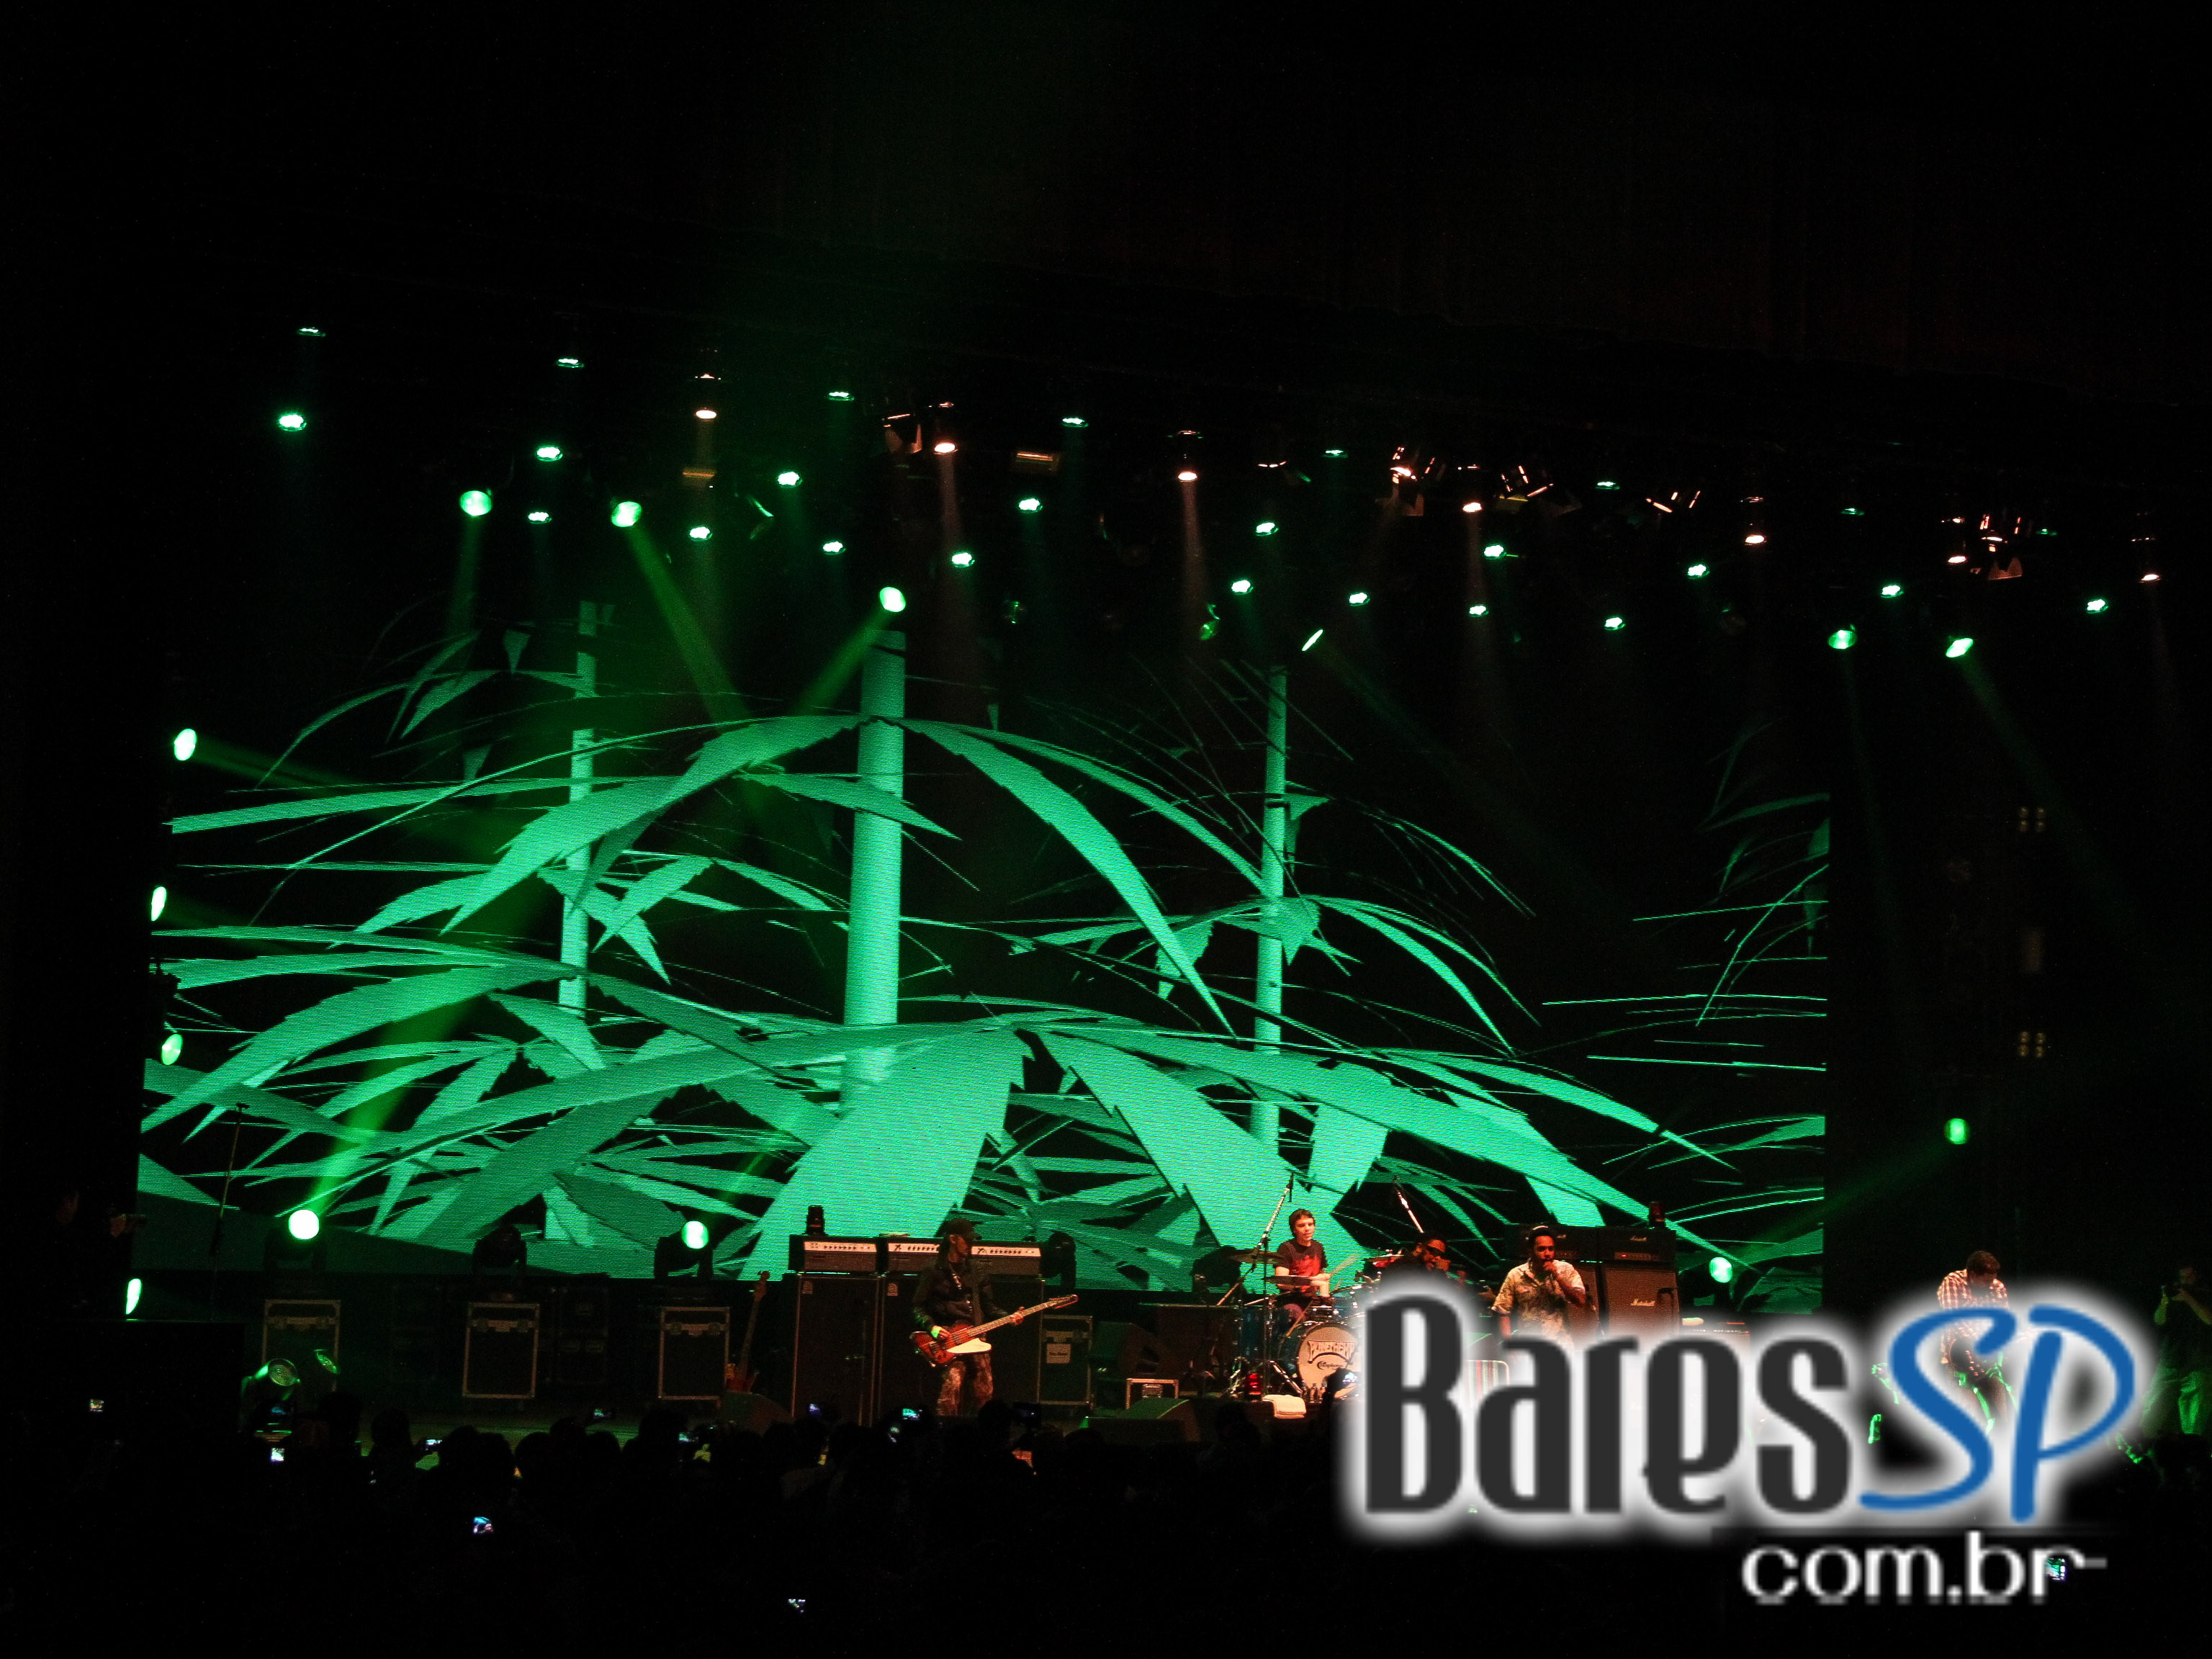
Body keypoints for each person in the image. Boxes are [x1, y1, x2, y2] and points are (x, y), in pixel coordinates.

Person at [914, 1220, 1018, 1416]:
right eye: (967, 1240)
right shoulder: (934, 1270)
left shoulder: (977, 1270)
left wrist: (1008, 1317)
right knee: (950, 1393)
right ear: (953, 1239)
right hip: (949, 1340)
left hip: (976, 1337)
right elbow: (918, 1306)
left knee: (984, 1394)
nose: (971, 1244)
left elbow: (988, 1306)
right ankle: (946, 1430)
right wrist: (932, 1327)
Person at [1936, 1249, 2011, 1424]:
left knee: (2002, 1414)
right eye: (1986, 1281)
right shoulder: (1953, 1281)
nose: (1990, 1284)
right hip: (1959, 1360)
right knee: (1968, 1414)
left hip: (1988, 1361)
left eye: (1993, 1279)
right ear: (1972, 1274)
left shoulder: (1997, 1287)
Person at [2143, 1262, 2212, 1440]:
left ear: (2197, 1275)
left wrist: (2189, 1299)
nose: (2186, 1281)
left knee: (2194, 1419)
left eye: (2190, 1276)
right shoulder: (2172, 1296)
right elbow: (2159, 1321)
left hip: (2198, 1365)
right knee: (2150, 1409)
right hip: (2170, 1362)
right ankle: (2136, 1448)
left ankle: (2192, 1452)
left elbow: (2209, 1319)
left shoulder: (2206, 1294)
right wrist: (2164, 1302)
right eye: (2182, 1278)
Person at [1491, 1229, 1588, 1339]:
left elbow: (1580, 1301)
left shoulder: (1566, 1270)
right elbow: (1502, 1310)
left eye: (1551, 1249)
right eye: (1542, 1249)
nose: (1547, 1254)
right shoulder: (1516, 1274)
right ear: (1531, 1251)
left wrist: (1557, 1276)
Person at [1272, 1208, 1330, 1324]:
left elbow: (1321, 1275)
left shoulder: (1318, 1247)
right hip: (1292, 1301)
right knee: (1296, 1314)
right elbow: (1281, 1282)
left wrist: (1325, 1298)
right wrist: (1310, 1281)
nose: (1307, 1229)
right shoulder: (1286, 1248)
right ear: (1294, 1229)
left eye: (1310, 1224)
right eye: (1301, 1225)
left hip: (1312, 1300)